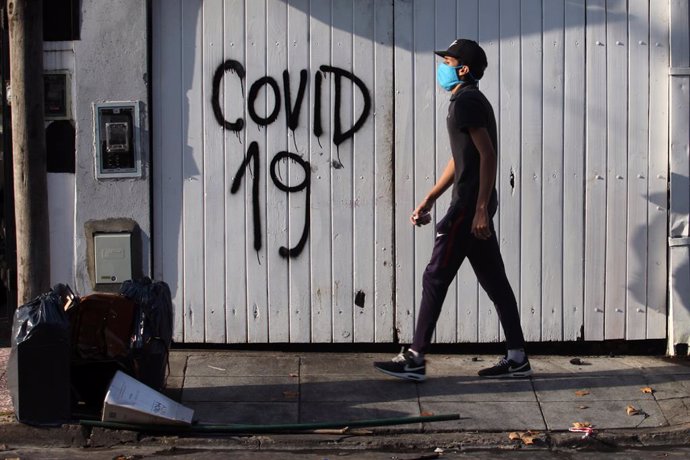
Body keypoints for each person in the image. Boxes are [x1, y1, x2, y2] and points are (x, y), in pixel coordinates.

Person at [374, 39, 531, 381]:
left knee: (435, 276)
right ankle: (517, 356)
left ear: (462, 68)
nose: (442, 67)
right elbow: (463, 157)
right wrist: (431, 196)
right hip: (472, 204)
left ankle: (415, 359)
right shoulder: (466, 100)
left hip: (467, 208)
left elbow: (488, 156)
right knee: (495, 281)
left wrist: (478, 210)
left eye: (447, 61)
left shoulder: (466, 101)